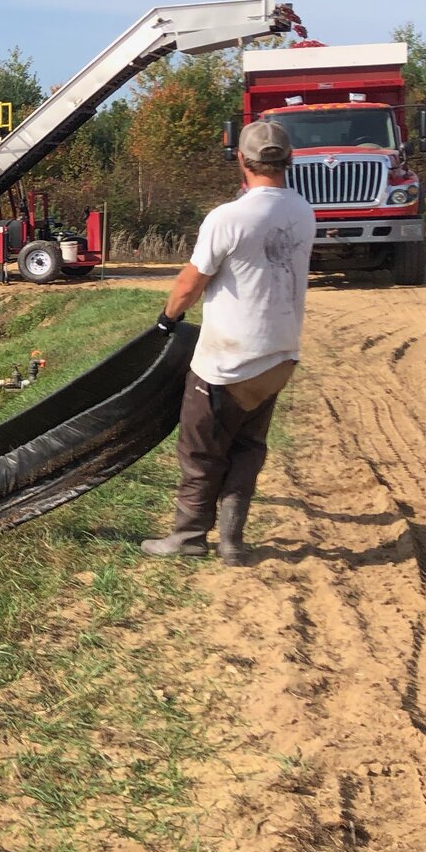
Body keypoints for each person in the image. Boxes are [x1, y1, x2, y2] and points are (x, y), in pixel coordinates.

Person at [142, 120, 315, 566]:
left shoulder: (227, 218)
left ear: (241, 159)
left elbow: (190, 283)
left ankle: (188, 537)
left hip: (227, 362)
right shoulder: (303, 211)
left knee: (200, 450)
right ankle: (233, 543)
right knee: (247, 446)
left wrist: (166, 321)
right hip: (279, 357)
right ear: (289, 160)